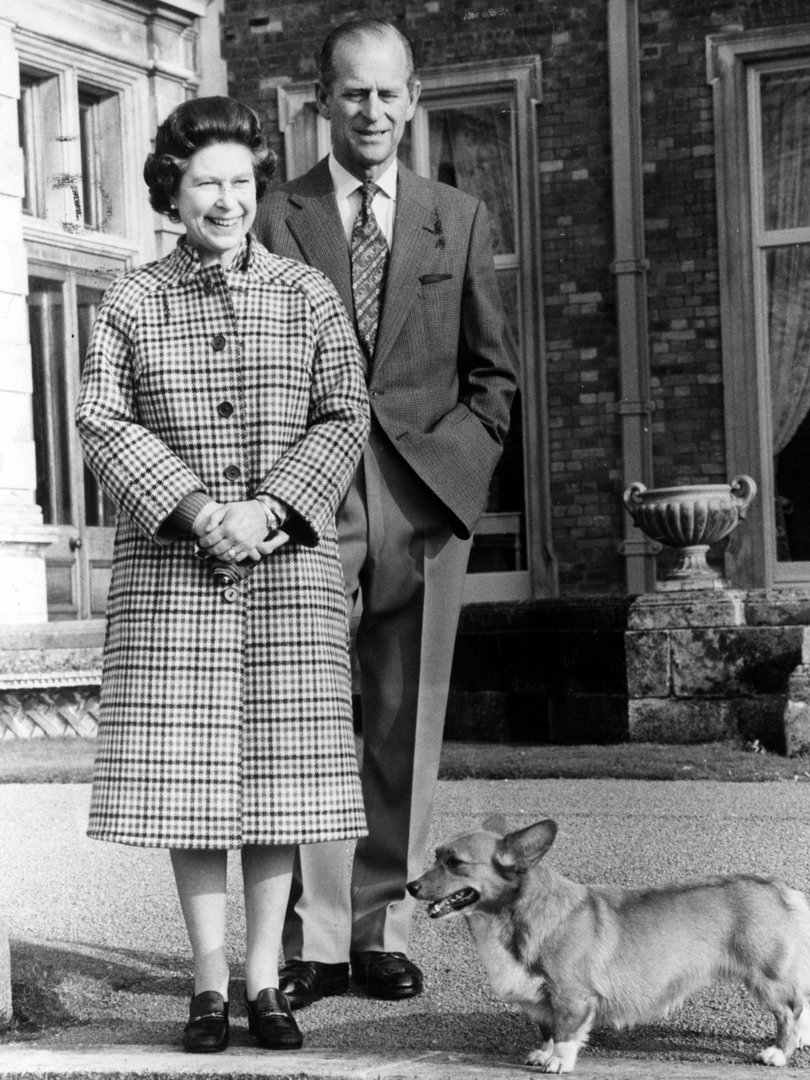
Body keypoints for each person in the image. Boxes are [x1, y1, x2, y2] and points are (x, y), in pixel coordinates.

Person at [76, 96, 370, 1053]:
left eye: (243, 181)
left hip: (287, 570)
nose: (228, 199)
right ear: (174, 186)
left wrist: (272, 507)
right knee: (188, 782)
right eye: (209, 181)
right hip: (173, 571)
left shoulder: (308, 295)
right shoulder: (130, 299)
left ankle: (264, 983)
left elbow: (344, 414)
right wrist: (199, 509)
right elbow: (101, 419)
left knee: (281, 782)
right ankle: (208, 985)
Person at [255, 18, 517, 1005]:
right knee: (316, 722)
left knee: (406, 718)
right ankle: (317, 943)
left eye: (387, 93)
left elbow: (493, 380)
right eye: (351, 93)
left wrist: (452, 485)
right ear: (322, 102)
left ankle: (381, 931)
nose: (370, 111)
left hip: (423, 500)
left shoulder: (459, 215)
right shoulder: (278, 216)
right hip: (311, 501)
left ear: (414, 100)